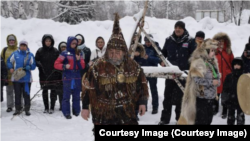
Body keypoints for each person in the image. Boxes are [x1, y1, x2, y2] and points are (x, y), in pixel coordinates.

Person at [81, 13, 149, 128]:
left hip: (127, 111)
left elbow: (141, 85)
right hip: (103, 112)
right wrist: (85, 107)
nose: (114, 55)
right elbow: (88, 89)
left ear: (123, 52)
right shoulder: (97, 66)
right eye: (111, 52)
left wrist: (142, 102)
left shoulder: (133, 66)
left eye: (117, 53)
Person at [159, 21, 196, 125]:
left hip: (183, 75)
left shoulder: (190, 41)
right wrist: (161, 61)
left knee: (181, 98)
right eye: (176, 27)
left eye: (180, 28)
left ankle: (179, 119)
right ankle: (164, 119)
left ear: (183, 29)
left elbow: (194, 57)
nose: (177, 29)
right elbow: (162, 54)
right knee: (167, 98)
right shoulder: (169, 40)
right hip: (170, 74)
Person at [179, 39, 220, 125]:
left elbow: (217, 78)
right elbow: (197, 80)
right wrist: (212, 82)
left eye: (214, 51)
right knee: (201, 121)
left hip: (211, 98)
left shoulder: (212, 62)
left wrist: (217, 82)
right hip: (202, 98)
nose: (214, 53)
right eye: (212, 50)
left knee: (208, 120)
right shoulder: (198, 62)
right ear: (206, 51)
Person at [54, 36, 85, 119]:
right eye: (72, 43)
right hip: (67, 77)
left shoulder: (79, 53)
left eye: (75, 43)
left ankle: (77, 111)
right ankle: (66, 112)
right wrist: (64, 66)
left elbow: (82, 66)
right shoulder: (64, 53)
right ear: (69, 43)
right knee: (66, 96)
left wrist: (78, 60)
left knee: (77, 96)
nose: (74, 45)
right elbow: (56, 64)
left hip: (77, 77)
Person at [7, 40, 36, 116]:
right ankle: (17, 109)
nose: (23, 47)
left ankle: (27, 109)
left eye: (24, 46)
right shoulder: (15, 53)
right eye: (21, 45)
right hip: (17, 78)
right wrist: (10, 68)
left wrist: (29, 67)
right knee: (17, 94)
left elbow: (34, 65)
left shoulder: (30, 55)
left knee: (26, 94)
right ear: (19, 46)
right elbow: (9, 61)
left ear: (27, 47)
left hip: (27, 79)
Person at [35, 34, 61, 114]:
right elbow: (36, 60)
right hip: (43, 74)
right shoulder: (40, 51)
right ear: (43, 42)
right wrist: (39, 64)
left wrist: (56, 70)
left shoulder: (56, 51)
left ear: (52, 42)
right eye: (46, 41)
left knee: (53, 91)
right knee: (45, 91)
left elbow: (59, 61)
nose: (48, 42)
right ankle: (46, 107)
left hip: (53, 74)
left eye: (49, 41)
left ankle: (52, 107)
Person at [213, 32, 234, 119]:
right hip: (216, 76)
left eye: (222, 41)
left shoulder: (228, 51)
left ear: (225, 42)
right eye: (219, 41)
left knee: (225, 94)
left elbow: (232, 62)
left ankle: (225, 109)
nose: (220, 43)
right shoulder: (213, 51)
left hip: (226, 76)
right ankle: (215, 108)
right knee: (216, 93)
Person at [0, 34, 22, 113]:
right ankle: (9, 106)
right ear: (8, 41)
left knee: (19, 91)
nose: (11, 41)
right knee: (9, 91)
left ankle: (19, 105)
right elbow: (1, 61)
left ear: (15, 41)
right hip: (8, 73)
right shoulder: (4, 50)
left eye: (13, 40)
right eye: (10, 40)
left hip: (18, 74)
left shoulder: (19, 49)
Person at [222, 57, 245, 125]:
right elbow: (225, 89)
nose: (236, 66)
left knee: (240, 118)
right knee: (230, 118)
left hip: (241, 101)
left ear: (241, 66)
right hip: (231, 100)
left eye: (238, 65)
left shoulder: (244, 77)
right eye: (235, 64)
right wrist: (224, 100)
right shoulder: (229, 76)